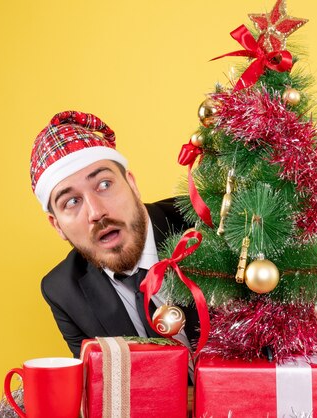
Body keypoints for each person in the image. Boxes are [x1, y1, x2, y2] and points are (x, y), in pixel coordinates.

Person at [30, 110, 197, 358]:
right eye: (72, 201)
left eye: (104, 185)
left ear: (132, 184)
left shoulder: (205, 221)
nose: (96, 212)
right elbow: (102, 387)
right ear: (57, 226)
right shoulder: (63, 291)